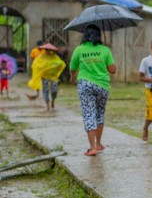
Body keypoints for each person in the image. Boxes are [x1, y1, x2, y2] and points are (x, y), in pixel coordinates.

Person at [69, 25, 116, 156]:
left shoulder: (79, 49)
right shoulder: (105, 50)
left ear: (85, 36)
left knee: (89, 114)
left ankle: (92, 147)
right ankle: (99, 144)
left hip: (85, 85)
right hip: (102, 86)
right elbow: (113, 70)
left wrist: (73, 77)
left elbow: (72, 67)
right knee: (100, 114)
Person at [27, 43, 66, 110]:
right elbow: (36, 64)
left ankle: (53, 101)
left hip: (53, 77)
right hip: (44, 77)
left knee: (54, 91)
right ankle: (47, 105)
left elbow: (60, 63)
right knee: (46, 90)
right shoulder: (41, 56)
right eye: (46, 50)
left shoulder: (54, 57)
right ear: (45, 50)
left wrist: (54, 67)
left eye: (49, 50)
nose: (48, 51)